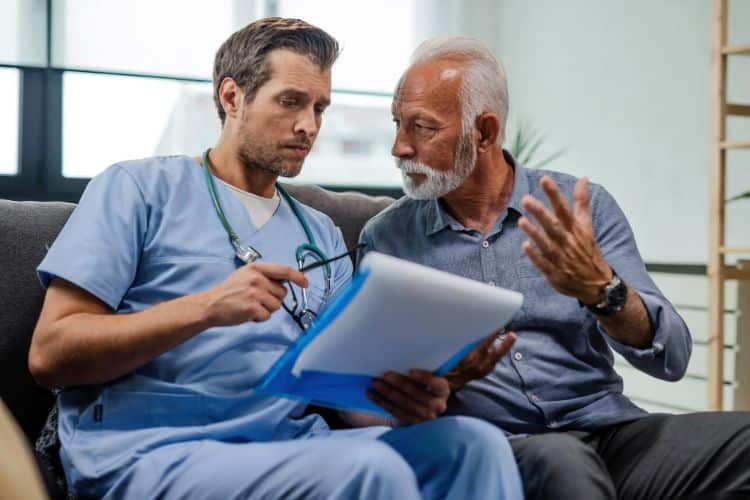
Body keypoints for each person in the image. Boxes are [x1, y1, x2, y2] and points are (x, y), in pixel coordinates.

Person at [28, 19, 523, 500]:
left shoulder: (321, 234)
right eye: (290, 102)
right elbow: (50, 355)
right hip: (150, 448)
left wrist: (416, 396)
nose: (308, 126)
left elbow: (351, 406)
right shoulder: (138, 189)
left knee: (474, 446)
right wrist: (206, 308)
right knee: (368, 469)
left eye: (320, 108)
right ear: (231, 97)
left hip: (290, 447)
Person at [359, 36, 750, 500]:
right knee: (562, 459)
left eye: (422, 128)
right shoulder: (387, 240)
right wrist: (443, 377)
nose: (399, 148)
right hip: (505, 447)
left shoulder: (583, 209)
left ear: (484, 132)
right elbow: (373, 397)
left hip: (612, 432)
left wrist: (605, 292)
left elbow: (674, 358)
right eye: (397, 125)